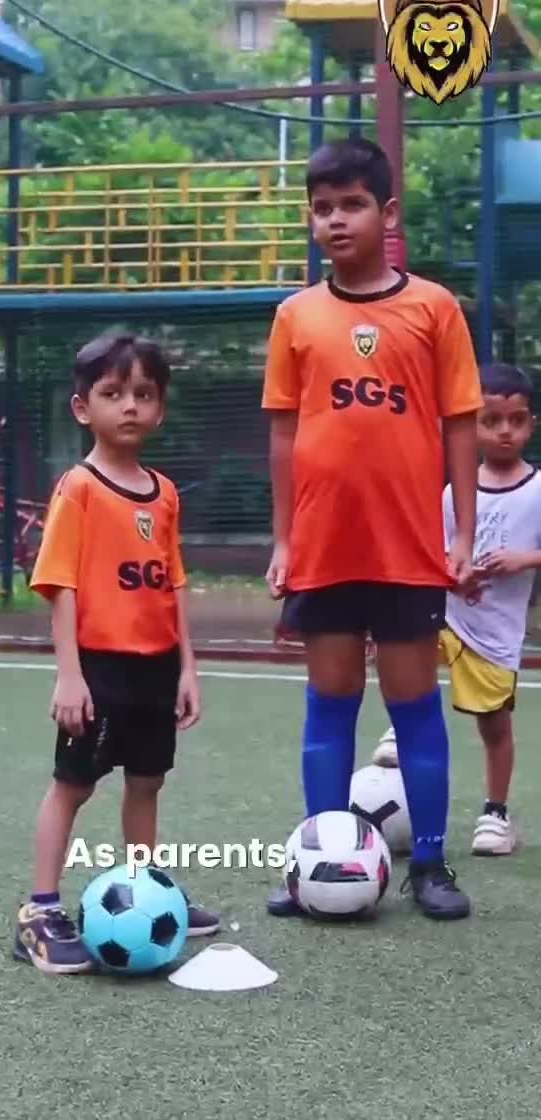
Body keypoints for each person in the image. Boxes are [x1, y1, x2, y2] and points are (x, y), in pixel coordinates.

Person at [262, 137, 483, 921]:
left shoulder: (434, 308)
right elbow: (284, 432)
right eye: (321, 208)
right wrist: (284, 539)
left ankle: (430, 864)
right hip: (325, 546)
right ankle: (318, 858)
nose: (335, 220)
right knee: (330, 702)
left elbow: (461, 423)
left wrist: (463, 533)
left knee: (414, 704)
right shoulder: (295, 316)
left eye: (351, 204)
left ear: (387, 213)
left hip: (407, 548)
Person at [14, 333, 220, 974]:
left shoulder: (165, 492)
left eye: (144, 394)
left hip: (157, 666)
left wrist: (188, 667)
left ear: (159, 409)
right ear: (83, 408)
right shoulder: (78, 488)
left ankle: (145, 889)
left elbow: (173, 582)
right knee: (73, 785)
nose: (129, 405)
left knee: (147, 781)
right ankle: (39, 911)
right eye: (112, 393)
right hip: (99, 666)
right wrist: (69, 675)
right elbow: (60, 584)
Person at [373, 363, 541, 857]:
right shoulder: (455, 492)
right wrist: (454, 571)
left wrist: (525, 559)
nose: (505, 431)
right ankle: (399, 730)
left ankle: (496, 814)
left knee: (495, 725)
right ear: (473, 425)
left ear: (531, 424)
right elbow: (441, 550)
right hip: (448, 614)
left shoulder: (537, 489)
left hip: (496, 632)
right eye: (491, 420)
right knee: (407, 652)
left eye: (516, 420)